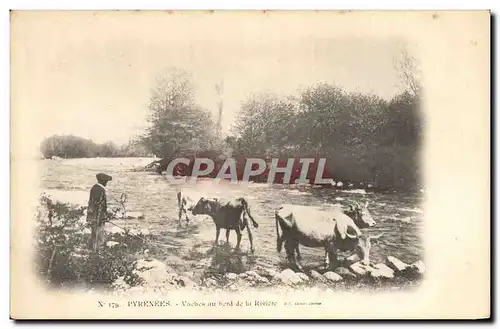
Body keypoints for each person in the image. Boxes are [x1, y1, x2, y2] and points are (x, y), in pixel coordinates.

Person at [86, 173, 112, 253]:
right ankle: (98, 253)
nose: (106, 183)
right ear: (102, 181)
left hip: (93, 216)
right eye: (106, 182)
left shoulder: (95, 188)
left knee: (94, 235)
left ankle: (92, 251)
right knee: (99, 236)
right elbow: (99, 206)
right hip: (97, 217)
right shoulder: (100, 190)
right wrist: (102, 217)